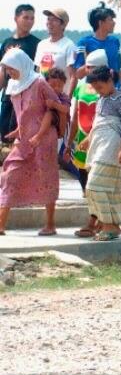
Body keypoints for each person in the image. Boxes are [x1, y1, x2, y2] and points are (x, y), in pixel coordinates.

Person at [0, 49, 60, 236]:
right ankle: (1, 224)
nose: (9, 73)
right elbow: (22, 114)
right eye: (7, 70)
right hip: (24, 140)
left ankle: (50, 225)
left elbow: (53, 111)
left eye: (11, 69)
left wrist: (40, 135)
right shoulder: (14, 86)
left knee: (46, 178)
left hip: (43, 140)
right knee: (10, 174)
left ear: (21, 64)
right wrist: (18, 130)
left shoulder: (40, 83)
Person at [77, 66, 121, 241]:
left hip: (111, 146)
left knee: (94, 185)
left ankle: (108, 225)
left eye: (100, 87)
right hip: (98, 144)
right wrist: (88, 139)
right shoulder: (101, 99)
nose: (98, 91)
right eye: (95, 88)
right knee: (105, 187)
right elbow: (98, 123)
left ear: (110, 81)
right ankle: (111, 225)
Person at [67, 50, 109, 238]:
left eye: (94, 68)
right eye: (88, 67)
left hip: (99, 142)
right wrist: (69, 142)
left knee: (97, 184)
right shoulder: (81, 88)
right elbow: (76, 115)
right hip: (81, 143)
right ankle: (96, 218)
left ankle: (96, 221)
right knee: (86, 185)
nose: (90, 71)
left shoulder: (108, 90)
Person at [0, 5, 41, 139]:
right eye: (26, 17)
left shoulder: (37, 44)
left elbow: (39, 72)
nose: (30, 21)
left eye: (32, 18)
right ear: (16, 19)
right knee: (4, 135)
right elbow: (2, 71)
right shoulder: (6, 42)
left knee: (22, 137)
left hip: (27, 99)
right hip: (8, 96)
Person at [74, 2, 121, 91]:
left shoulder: (115, 42)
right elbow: (78, 75)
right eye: (110, 19)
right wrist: (91, 62)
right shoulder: (84, 43)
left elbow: (118, 69)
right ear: (101, 23)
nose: (114, 23)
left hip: (115, 92)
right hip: (94, 93)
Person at [34, 8, 76, 96]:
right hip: (42, 97)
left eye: (54, 20)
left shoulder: (69, 45)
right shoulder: (41, 44)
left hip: (60, 98)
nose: (49, 22)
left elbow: (73, 76)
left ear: (63, 25)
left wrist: (68, 100)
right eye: (48, 19)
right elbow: (37, 73)